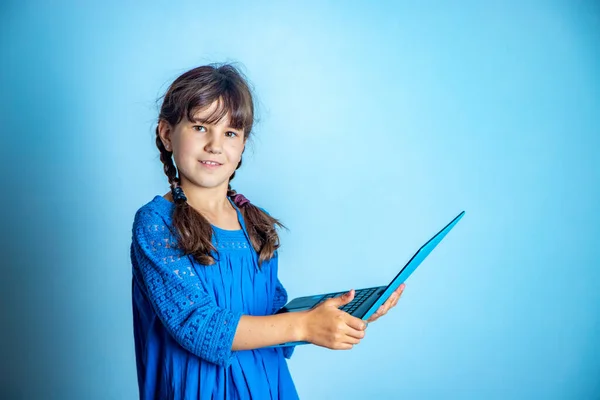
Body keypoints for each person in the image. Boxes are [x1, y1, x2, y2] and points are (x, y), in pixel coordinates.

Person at [130, 63, 406, 399]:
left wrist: (343, 314)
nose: (215, 145)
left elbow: (272, 320)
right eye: (201, 127)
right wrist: (304, 325)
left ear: (243, 143)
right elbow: (196, 324)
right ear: (166, 133)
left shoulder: (254, 222)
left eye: (230, 133)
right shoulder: (156, 223)